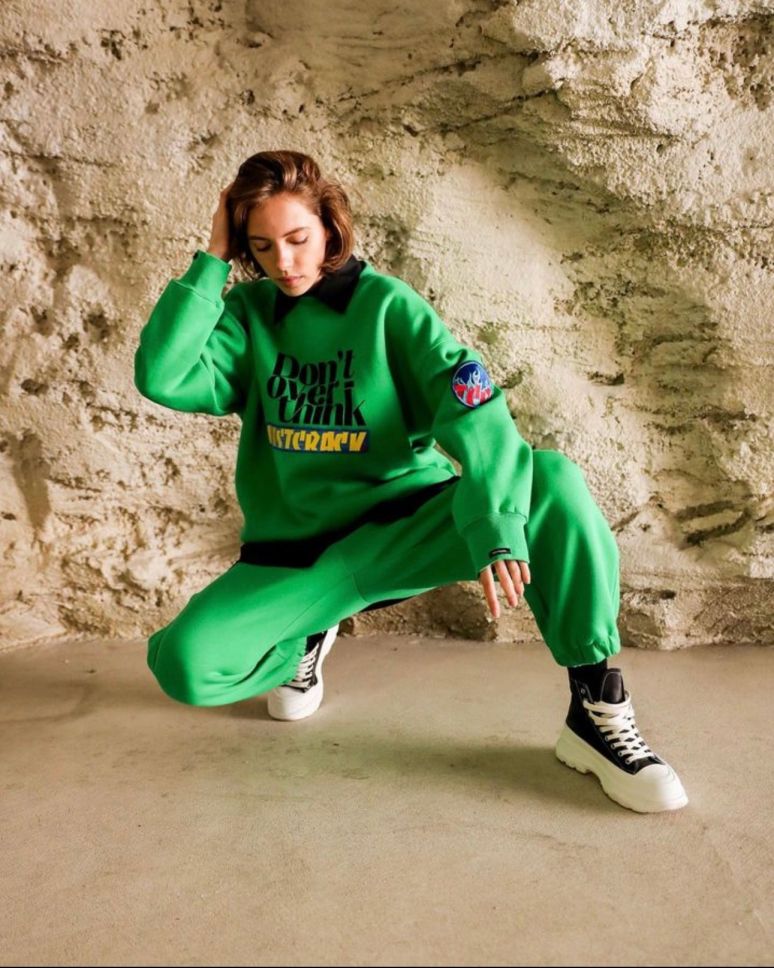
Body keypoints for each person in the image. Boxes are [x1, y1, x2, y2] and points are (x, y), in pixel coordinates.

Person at [134, 149, 688, 814]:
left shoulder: (387, 306)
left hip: (407, 528)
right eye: (262, 245)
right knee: (185, 664)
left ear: (330, 227)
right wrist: (213, 258)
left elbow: (473, 407)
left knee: (550, 478)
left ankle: (593, 705)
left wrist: (497, 524)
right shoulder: (248, 314)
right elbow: (163, 375)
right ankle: (301, 639)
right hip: (298, 556)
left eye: (298, 238)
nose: (284, 262)